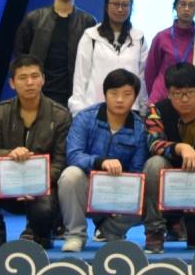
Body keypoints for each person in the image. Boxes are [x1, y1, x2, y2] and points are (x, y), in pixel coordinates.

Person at [0, 55, 71, 251]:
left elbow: (61, 161)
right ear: (12, 83)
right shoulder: (0, 112)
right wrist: (9, 153)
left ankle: (40, 233)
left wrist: (37, 184)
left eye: (35, 76)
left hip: (41, 188)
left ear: (43, 79)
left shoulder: (60, 115)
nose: (30, 82)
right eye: (23, 77)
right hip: (8, 184)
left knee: (46, 207)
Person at [57, 68, 150, 252]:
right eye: (114, 93)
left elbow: (137, 170)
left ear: (135, 97)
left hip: (119, 191)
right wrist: (100, 162)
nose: (120, 99)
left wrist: (123, 192)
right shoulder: (85, 118)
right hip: (87, 187)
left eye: (127, 94)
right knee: (70, 175)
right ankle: (75, 235)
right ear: (105, 94)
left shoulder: (140, 129)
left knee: (147, 195)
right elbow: (74, 154)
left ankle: (109, 231)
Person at [142, 62, 195, 253]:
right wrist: (181, 148)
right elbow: (154, 144)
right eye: (178, 93)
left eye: (190, 92)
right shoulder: (157, 110)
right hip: (168, 187)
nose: (185, 99)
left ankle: (194, 226)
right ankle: (155, 231)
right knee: (154, 164)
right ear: (168, 93)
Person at [13, 0, 97, 107]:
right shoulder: (34, 18)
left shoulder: (88, 22)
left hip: (74, 96)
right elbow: (20, 56)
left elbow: (92, 62)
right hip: (38, 93)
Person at [69, 0, 148, 114]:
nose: (120, 9)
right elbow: (81, 77)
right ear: (106, 6)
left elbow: (142, 77)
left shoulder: (139, 38)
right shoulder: (91, 35)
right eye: (116, 4)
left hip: (130, 109)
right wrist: (78, 110)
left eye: (125, 5)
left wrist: (143, 108)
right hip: (95, 108)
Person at [143, 0, 195, 104]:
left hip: (188, 98)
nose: (186, 9)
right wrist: (153, 95)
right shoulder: (161, 37)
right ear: (175, 6)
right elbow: (150, 72)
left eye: (191, 5)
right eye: (182, 4)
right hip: (161, 96)